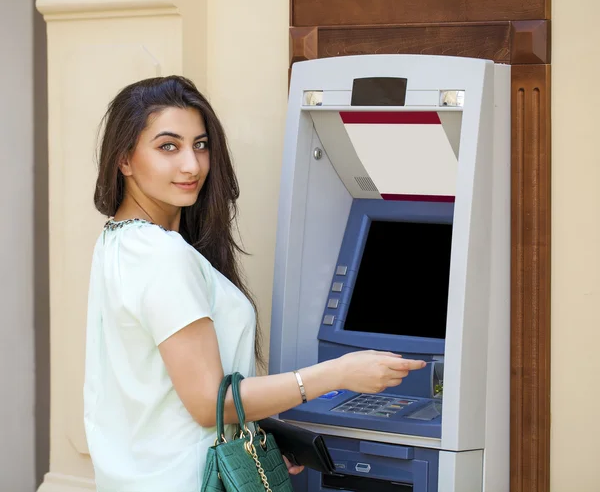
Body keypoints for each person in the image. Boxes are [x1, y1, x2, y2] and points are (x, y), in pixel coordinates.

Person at [84, 75, 427, 492]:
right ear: (124, 159)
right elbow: (211, 403)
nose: (192, 165)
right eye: (167, 147)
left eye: (201, 144)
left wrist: (255, 437)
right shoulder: (162, 256)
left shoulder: (117, 241)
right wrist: (339, 373)